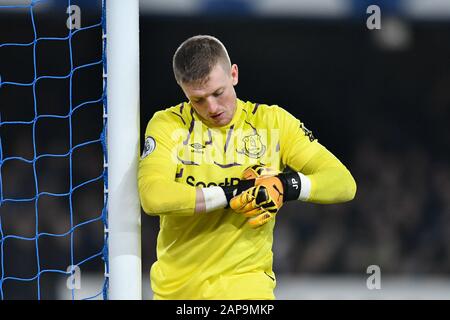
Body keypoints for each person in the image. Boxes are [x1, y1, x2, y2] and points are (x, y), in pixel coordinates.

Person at [138, 35, 357, 300]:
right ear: (183, 91)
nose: (212, 108)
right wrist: (233, 194)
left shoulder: (272, 123)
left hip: (247, 291)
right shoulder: (168, 125)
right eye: (198, 100)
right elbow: (153, 196)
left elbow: (343, 183)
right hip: (177, 293)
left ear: (234, 75)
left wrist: (284, 186)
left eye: (218, 93)